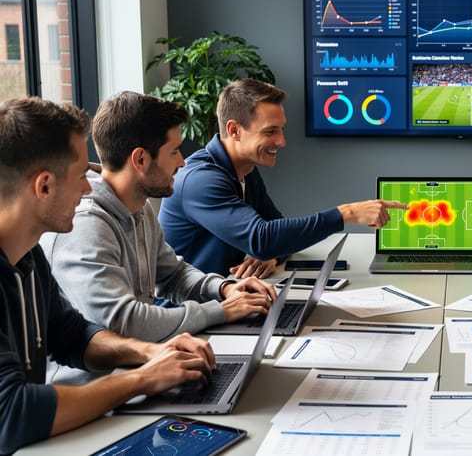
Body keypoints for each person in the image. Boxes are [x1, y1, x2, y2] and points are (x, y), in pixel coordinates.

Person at [0, 97, 214, 453]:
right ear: (44, 186)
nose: (88, 188)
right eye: (81, 174)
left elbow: (71, 335)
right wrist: (142, 379)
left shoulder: (28, 256)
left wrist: (148, 353)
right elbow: (11, 414)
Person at [39, 92, 276, 381]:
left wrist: (225, 289)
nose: (182, 162)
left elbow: (173, 275)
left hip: (144, 371)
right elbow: (124, 322)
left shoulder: (139, 208)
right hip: (98, 390)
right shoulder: (86, 224)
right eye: (174, 151)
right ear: (140, 159)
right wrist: (221, 311)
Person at [159, 78, 406, 278]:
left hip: (226, 302)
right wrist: (347, 213)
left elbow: (276, 231)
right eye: (270, 132)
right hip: (187, 320)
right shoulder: (200, 180)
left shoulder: (246, 170)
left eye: (281, 129)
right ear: (234, 130)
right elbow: (262, 238)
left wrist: (273, 255)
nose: (282, 141)